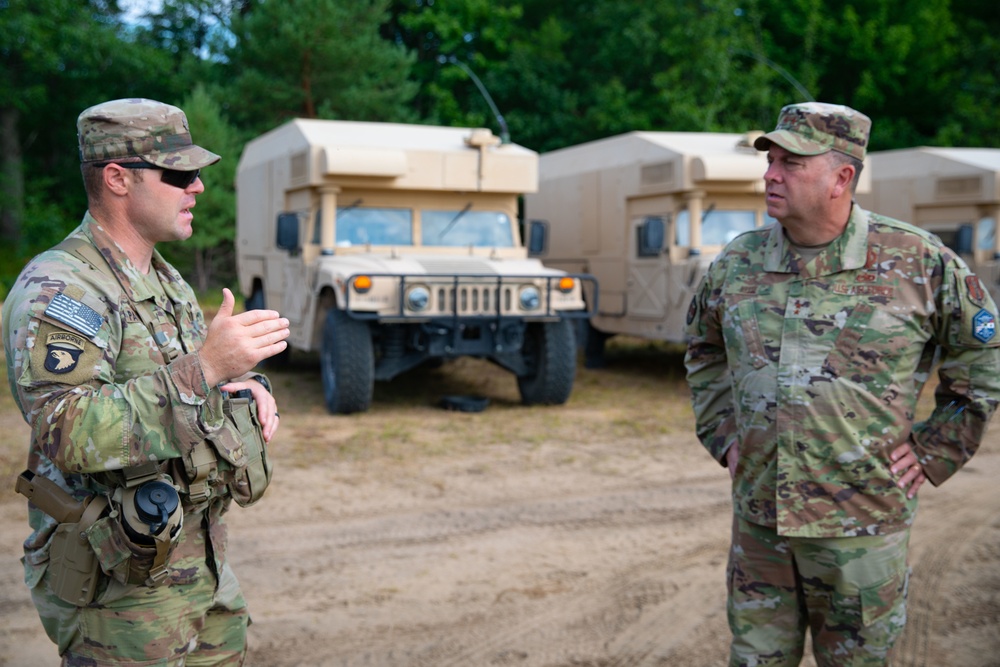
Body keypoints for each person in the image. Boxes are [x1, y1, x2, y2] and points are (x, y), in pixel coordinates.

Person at [684, 101, 1000, 666]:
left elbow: (983, 351)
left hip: (861, 531)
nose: (770, 174)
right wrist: (722, 431)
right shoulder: (738, 264)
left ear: (842, 177)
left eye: (791, 163)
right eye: (770, 160)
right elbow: (703, 349)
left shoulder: (918, 262)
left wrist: (938, 448)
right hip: (761, 526)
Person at [2, 98, 290, 665]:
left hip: (197, 567)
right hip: (120, 590)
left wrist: (241, 384)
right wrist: (206, 368)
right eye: (180, 173)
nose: (198, 188)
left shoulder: (166, 280)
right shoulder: (62, 291)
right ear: (117, 179)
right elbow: (68, 429)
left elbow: (179, 381)